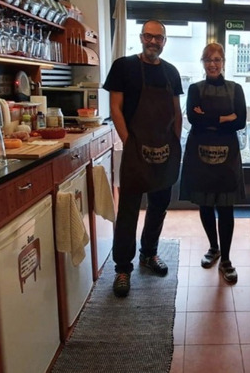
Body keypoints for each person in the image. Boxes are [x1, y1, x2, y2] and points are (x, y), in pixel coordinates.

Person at [103, 20, 183, 297]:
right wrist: (129, 141)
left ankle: (149, 254)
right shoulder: (123, 67)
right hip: (136, 150)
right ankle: (123, 268)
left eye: (158, 37)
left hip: (164, 149)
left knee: (159, 204)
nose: (153, 41)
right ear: (141, 37)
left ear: (164, 41)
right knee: (127, 210)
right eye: (149, 36)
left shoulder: (171, 72)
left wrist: (175, 142)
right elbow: (115, 108)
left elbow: (177, 111)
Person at [180, 43, 246, 284]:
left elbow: (240, 122)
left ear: (224, 62)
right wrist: (224, 118)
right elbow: (192, 118)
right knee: (205, 204)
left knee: (226, 208)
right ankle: (213, 247)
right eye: (208, 59)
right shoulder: (195, 90)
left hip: (228, 156)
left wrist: (208, 118)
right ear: (203, 62)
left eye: (217, 59)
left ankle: (226, 259)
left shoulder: (236, 89)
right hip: (200, 154)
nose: (213, 63)